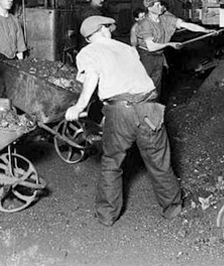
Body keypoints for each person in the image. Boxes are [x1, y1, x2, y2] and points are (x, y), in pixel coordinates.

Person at [65, 15, 182, 227]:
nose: (110, 30)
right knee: (159, 162)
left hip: (119, 111)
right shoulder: (126, 48)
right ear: (102, 30)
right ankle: (173, 210)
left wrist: (78, 106)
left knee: (112, 162)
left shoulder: (88, 52)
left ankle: (107, 216)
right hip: (149, 109)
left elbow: (90, 78)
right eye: (108, 27)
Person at [135, 0, 212, 97]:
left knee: (156, 86)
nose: (160, 7)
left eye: (160, 5)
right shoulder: (145, 24)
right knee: (144, 85)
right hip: (146, 57)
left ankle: (153, 109)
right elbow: (151, 47)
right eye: (157, 6)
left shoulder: (165, 18)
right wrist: (169, 44)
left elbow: (187, 25)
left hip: (158, 56)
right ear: (149, 8)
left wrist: (206, 30)